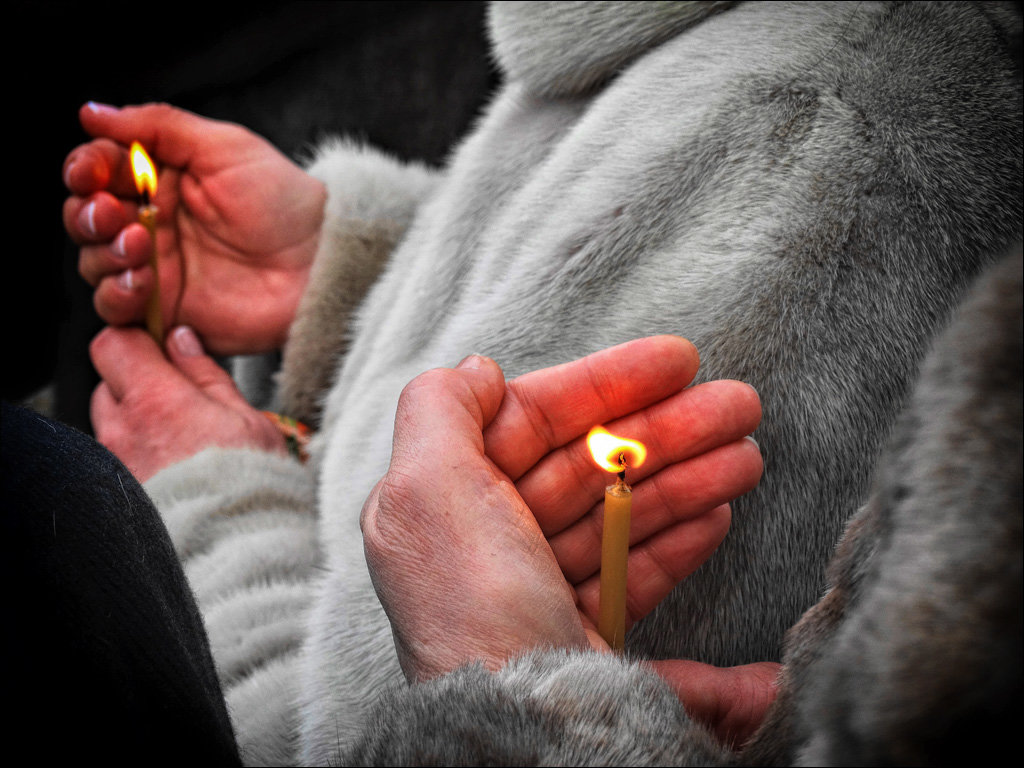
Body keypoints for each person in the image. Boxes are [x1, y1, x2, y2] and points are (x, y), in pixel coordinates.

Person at [62, 2, 1021, 764]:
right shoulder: (786, 70)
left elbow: (364, 745)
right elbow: (608, 268)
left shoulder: (821, 143)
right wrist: (345, 275)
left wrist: (205, 508)